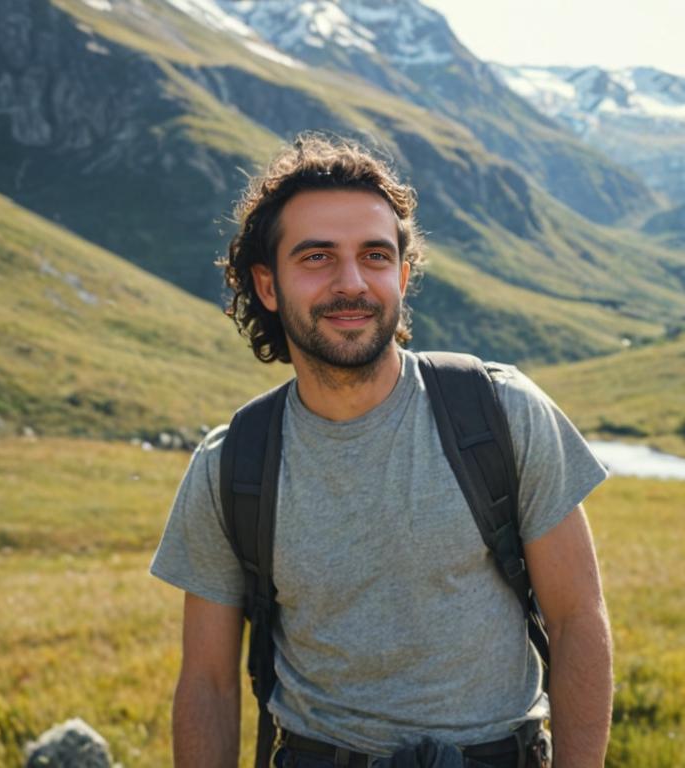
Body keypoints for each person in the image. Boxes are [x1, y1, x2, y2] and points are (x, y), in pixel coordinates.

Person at [150, 134, 612, 768]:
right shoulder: (231, 464)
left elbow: (578, 620)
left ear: (401, 272)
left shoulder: (501, 413)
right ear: (267, 284)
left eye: (374, 255)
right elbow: (207, 682)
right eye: (316, 257)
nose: (351, 283)